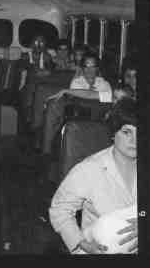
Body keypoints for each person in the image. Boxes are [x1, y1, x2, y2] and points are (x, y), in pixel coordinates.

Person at [49, 98, 137, 254]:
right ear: (113, 133)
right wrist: (81, 243)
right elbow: (59, 209)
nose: (134, 140)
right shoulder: (89, 169)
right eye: (126, 132)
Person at [42, 53, 113, 155]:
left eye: (93, 67)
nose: (89, 70)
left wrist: (67, 91)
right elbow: (79, 101)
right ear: (82, 69)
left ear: (97, 69)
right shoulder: (76, 82)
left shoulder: (105, 84)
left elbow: (106, 99)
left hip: (100, 121)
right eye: (86, 66)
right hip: (79, 120)